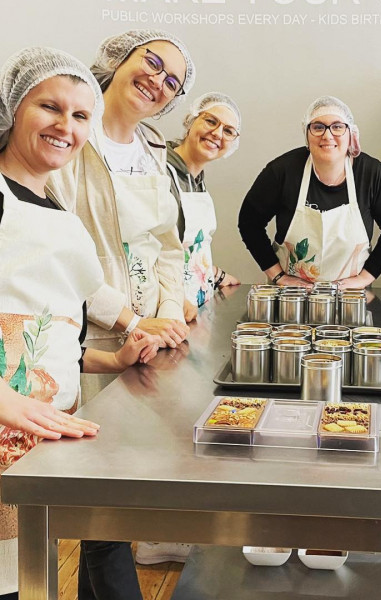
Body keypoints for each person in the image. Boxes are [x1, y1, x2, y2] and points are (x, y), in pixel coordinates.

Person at [0, 47, 159, 600]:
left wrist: (113, 358)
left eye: (80, 115)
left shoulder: (59, 219)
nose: (65, 126)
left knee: (23, 575)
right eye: (50, 107)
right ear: (15, 107)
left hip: (35, 439)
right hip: (4, 426)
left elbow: (54, 326)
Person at [48, 29, 194, 355]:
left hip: (154, 337)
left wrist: (169, 315)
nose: (158, 80)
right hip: (90, 338)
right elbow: (59, 256)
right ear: (118, 59)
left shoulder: (153, 149)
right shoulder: (70, 138)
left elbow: (167, 247)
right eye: (153, 63)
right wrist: (129, 322)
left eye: (171, 83)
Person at [238, 96, 381, 288]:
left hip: (350, 297)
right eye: (318, 127)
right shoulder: (283, 171)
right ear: (307, 134)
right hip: (290, 296)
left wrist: (365, 278)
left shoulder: (373, 175)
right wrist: (278, 276)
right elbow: (249, 222)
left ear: (350, 133)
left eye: (337, 127)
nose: (327, 136)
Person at [165, 92, 241, 323]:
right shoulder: (160, 171)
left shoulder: (197, 179)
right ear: (190, 121)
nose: (217, 133)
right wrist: (173, 299)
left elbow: (190, 248)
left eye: (228, 131)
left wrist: (215, 274)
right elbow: (147, 251)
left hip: (195, 306)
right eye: (210, 121)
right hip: (169, 310)